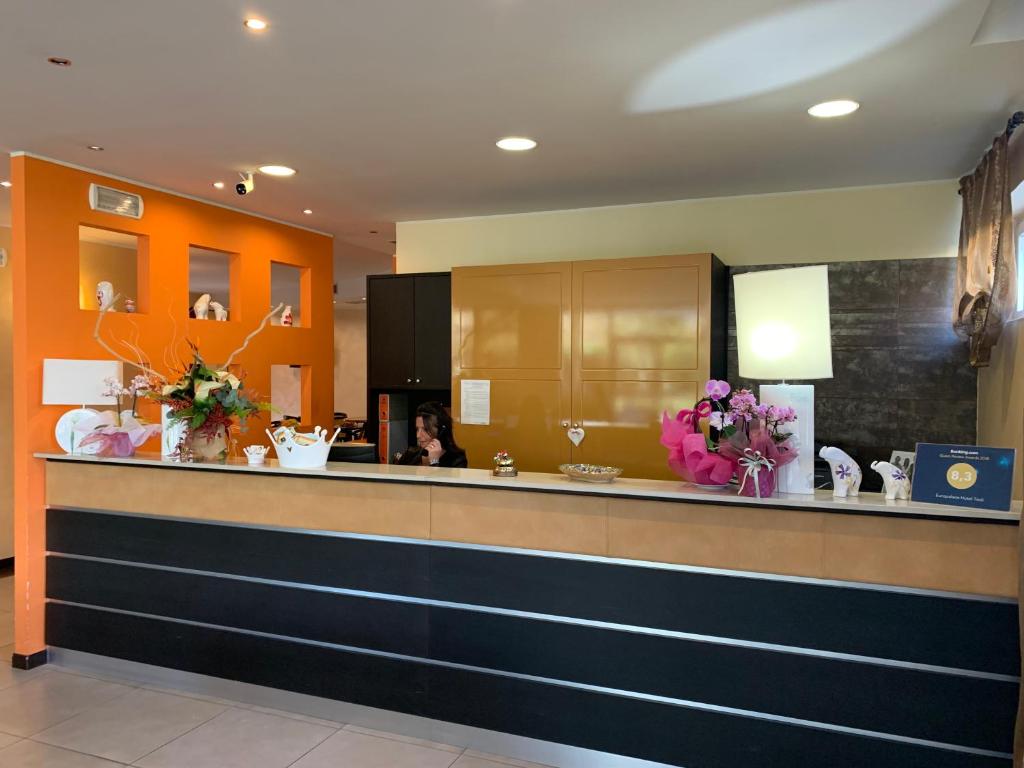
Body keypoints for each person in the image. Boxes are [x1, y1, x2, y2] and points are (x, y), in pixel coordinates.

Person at [394, 401, 467, 468]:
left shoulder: (457, 460)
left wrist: (434, 462)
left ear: (441, 430)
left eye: (425, 429)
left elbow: (439, 482)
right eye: (417, 429)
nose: (418, 435)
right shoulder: (410, 454)